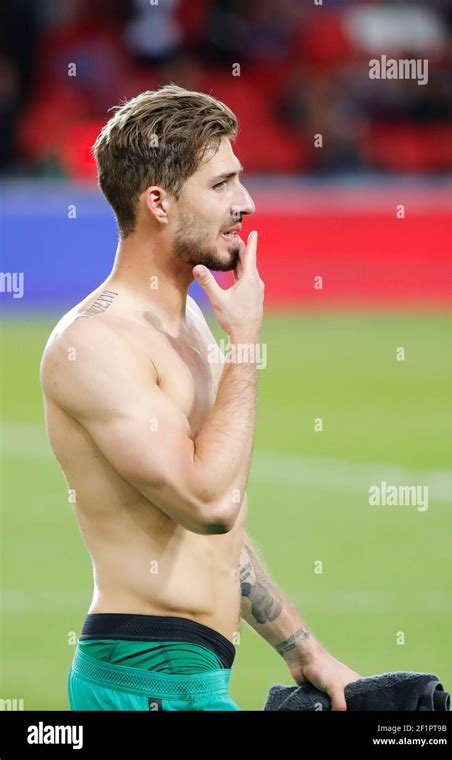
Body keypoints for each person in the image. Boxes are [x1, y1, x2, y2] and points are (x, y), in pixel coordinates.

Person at [40, 84, 360, 711]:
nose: (246, 202)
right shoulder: (95, 343)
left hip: (192, 674)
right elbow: (207, 503)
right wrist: (244, 341)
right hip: (141, 678)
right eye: (222, 184)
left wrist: (303, 649)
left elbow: (223, 538)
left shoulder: (186, 322)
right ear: (158, 202)